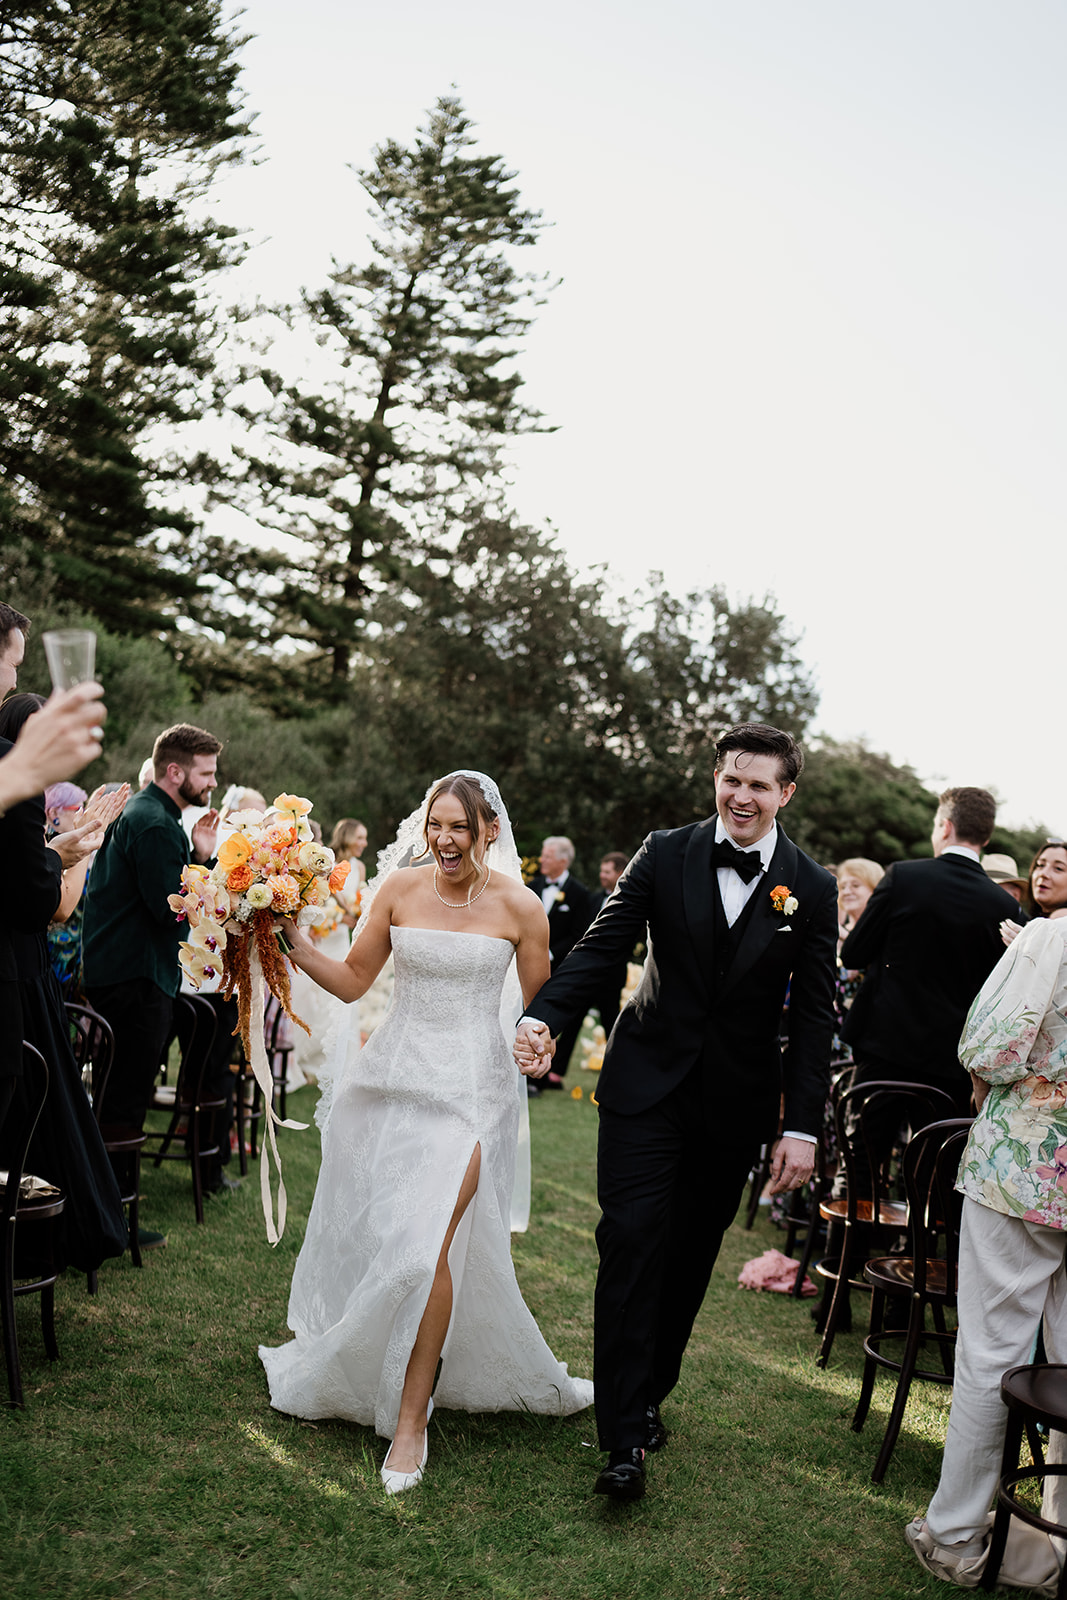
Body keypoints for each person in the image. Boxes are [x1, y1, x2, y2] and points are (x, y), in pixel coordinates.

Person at [514, 722, 838, 1501]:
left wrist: (801, 1125)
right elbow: (600, 947)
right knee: (628, 1239)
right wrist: (543, 1016)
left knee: (689, 1256)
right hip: (644, 1085)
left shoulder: (812, 887)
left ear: (784, 793)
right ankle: (622, 1435)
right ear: (716, 780)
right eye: (732, 778)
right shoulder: (667, 850)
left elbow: (817, 1017)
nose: (742, 794)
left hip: (733, 1104)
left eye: (759, 783)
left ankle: (649, 1391)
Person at [259, 771, 593, 1494]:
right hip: (393, 1083)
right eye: (435, 825)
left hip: (474, 1094)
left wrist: (540, 1043)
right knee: (403, 1243)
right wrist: (289, 941)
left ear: (488, 832)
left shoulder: (521, 908)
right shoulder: (399, 890)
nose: (443, 840)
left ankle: (410, 1424)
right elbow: (352, 981)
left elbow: (544, 1008)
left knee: (421, 1251)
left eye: (459, 828)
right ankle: (383, 1370)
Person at [905, 910, 1067, 1591]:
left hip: (1024, 1166)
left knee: (991, 1353)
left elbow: (993, 1048)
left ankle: (955, 1535)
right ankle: (1059, 1543)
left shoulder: (1053, 934)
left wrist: (983, 1076)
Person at [0, 692, 128, 1272]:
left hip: (33, 972)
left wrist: (81, 841)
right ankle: (37, 1241)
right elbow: (53, 906)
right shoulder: (24, 800)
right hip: (21, 974)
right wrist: (83, 848)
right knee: (36, 1112)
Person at [81, 722, 222, 1244]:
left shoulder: (149, 813)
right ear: (175, 770)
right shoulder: (158, 825)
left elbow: (166, 894)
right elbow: (171, 913)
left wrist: (201, 856)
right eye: (205, 774)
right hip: (136, 979)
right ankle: (109, 1217)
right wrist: (202, 872)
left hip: (125, 973)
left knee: (119, 1095)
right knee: (123, 1100)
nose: (211, 784)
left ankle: (105, 1208)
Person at [840, 788, 1025, 1115]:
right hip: (950, 1062)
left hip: (884, 1046)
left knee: (865, 1156)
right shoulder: (1006, 905)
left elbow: (854, 953)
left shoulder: (903, 877)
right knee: (933, 1161)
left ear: (945, 827)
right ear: (986, 835)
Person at [526, 836, 594, 1086]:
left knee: (553, 1020)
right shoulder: (531, 887)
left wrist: (550, 954)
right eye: (543, 854)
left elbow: (581, 934)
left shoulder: (580, 894)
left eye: (548, 855)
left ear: (563, 861)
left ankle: (547, 1072)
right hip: (527, 967)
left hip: (562, 968)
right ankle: (527, 1072)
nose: (542, 859)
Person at [1001, 840, 1067, 949]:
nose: (1043, 874)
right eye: (1040, 865)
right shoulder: (1031, 919)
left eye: (1058, 868)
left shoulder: (1061, 918)